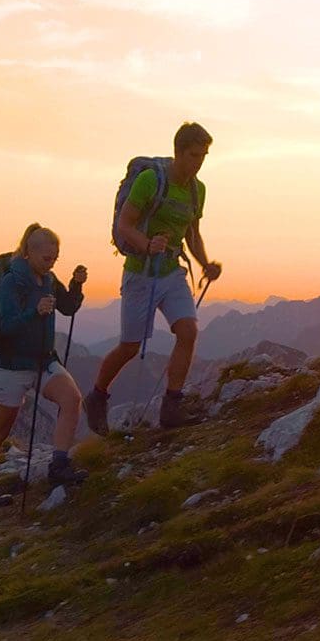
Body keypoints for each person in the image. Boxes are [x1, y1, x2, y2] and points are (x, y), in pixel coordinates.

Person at [84, 122, 223, 433]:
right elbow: (125, 224)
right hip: (140, 273)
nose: (198, 162)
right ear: (178, 152)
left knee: (187, 331)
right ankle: (96, 396)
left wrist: (204, 264)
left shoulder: (197, 190)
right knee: (130, 346)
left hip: (172, 271)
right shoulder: (150, 181)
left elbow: (192, 233)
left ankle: (171, 405)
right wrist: (147, 245)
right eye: (193, 155)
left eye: (203, 156)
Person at [0, 224, 90, 507]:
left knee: (72, 399)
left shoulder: (48, 278)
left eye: (55, 258)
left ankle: (59, 465)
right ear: (28, 252)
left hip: (42, 361)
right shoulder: (12, 282)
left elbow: (68, 307)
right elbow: (6, 326)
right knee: (0, 430)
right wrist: (33, 312)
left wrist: (76, 284)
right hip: (11, 365)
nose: (50, 263)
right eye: (46, 258)